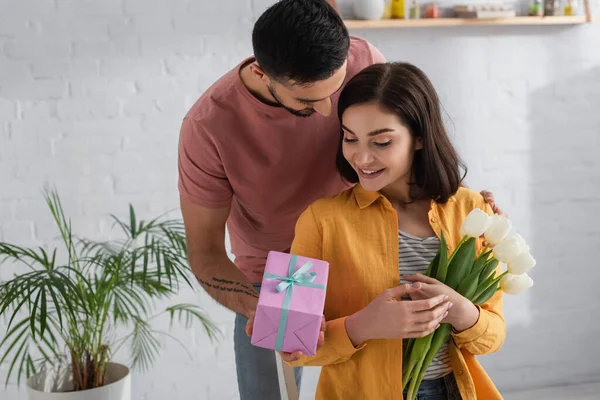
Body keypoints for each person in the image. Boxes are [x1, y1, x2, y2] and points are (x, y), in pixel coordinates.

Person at [177, 1, 501, 398]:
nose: (329, 111)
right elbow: (206, 252)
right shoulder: (208, 126)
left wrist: (462, 204)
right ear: (263, 74)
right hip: (276, 274)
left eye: (337, 89)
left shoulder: (363, 59)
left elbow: (401, 135)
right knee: (271, 387)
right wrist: (266, 308)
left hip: (366, 239)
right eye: (308, 103)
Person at [282, 62, 506, 400]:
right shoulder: (318, 220)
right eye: (350, 138)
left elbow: (494, 336)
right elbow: (288, 342)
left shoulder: (472, 210)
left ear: (419, 137)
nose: (362, 157)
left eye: (382, 142)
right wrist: (362, 326)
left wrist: (460, 310)